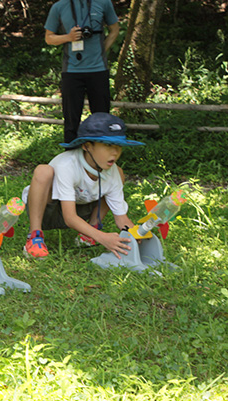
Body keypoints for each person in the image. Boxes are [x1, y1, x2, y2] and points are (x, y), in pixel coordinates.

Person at [22, 112, 145, 259]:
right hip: (49, 209)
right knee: (43, 171)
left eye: (119, 146)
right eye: (108, 145)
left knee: (119, 173)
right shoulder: (67, 164)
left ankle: (90, 231)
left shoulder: (113, 172)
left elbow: (121, 219)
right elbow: (70, 218)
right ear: (87, 146)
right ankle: (35, 236)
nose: (115, 152)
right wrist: (103, 237)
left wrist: (137, 235)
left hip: (82, 208)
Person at [44, 0, 120, 144]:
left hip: (98, 70)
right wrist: (68, 37)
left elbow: (115, 30)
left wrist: (102, 51)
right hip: (71, 71)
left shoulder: (103, 3)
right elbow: (49, 38)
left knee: (102, 119)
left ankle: (100, 159)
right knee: (71, 121)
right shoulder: (59, 6)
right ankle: (71, 158)